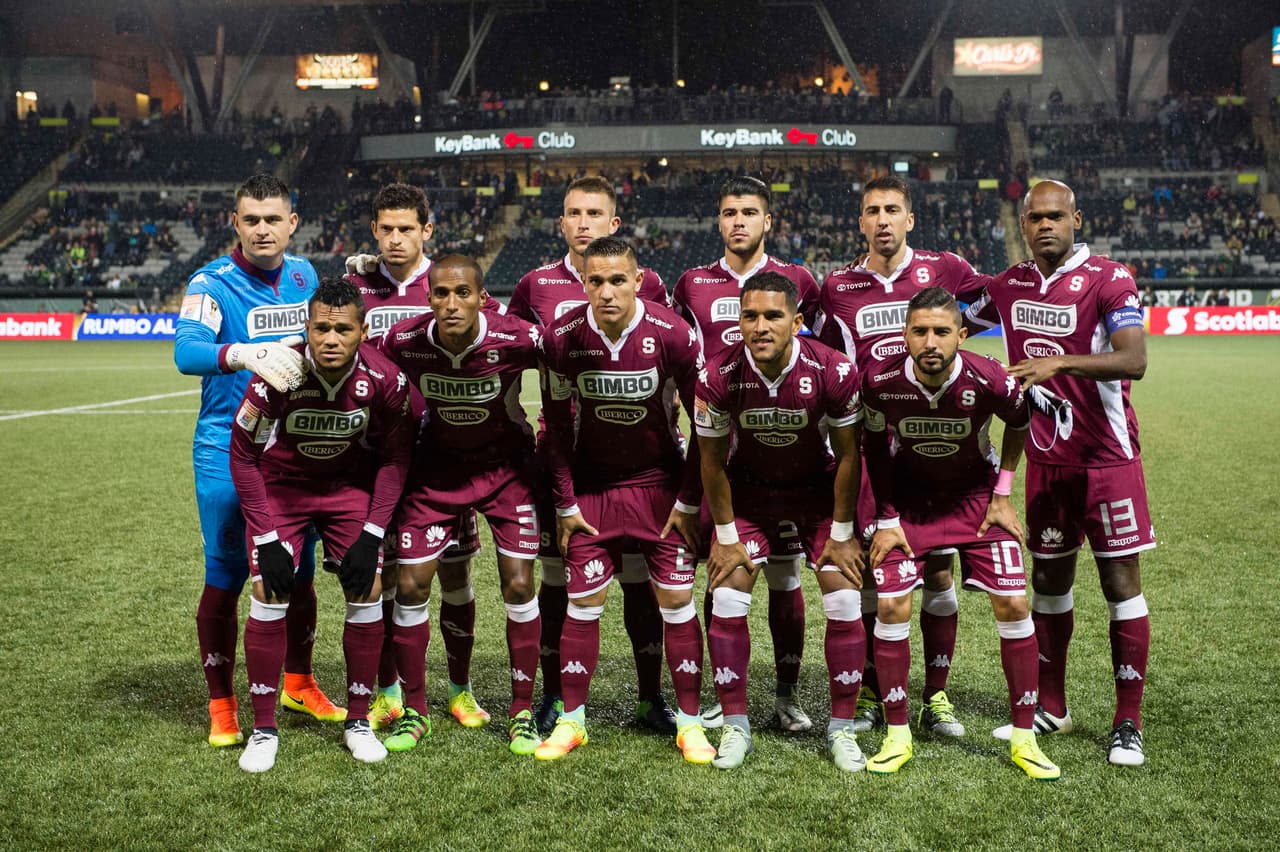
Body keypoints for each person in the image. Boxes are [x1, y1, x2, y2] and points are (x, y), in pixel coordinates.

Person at [965, 179, 1152, 766]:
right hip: (1045, 462)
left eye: (1055, 216)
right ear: (1022, 225)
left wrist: (1061, 362)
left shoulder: (1108, 278)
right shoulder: (1008, 285)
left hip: (1108, 460)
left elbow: (1134, 359)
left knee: (1120, 585)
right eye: (1034, 218)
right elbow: (954, 323)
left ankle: (1128, 721)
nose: (1045, 225)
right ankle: (1053, 707)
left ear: (1075, 218)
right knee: (1048, 586)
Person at [815, 174, 991, 738]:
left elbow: (993, 306)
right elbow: (820, 350)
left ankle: (935, 696)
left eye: (893, 209)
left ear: (910, 218)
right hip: (872, 450)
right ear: (861, 222)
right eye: (873, 211)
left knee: (938, 569)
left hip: (934, 449)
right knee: (870, 568)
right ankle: (873, 687)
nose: (883, 219)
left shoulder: (946, 269)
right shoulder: (836, 286)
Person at [174, 173, 343, 749]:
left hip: (291, 446)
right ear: (236, 223)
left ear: (292, 223)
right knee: (225, 575)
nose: (263, 229)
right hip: (227, 442)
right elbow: (186, 352)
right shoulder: (211, 283)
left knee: (294, 570)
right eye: (252, 220)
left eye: (274, 219)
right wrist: (241, 352)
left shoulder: (304, 275)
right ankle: (223, 704)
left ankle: (298, 682)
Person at [861, 287, 1057, 780]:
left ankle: (1024, 738)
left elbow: (1020, 421)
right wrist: (886, 518)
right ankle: (898, 734)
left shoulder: (988, 377)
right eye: (920, 331)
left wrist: (1003, 492)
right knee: (890, 605)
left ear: (962, 335)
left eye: (942, 332)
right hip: (907, 504)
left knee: (1014, 603)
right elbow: (873, 449)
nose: (930, 342)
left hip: (975, 501)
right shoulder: (880, 381)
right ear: (904, 335)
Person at [508, 176, 676, 737]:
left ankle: (651, 696)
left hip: (639, 462)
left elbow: (670, 363)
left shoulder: (648, 284)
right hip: (566, 463)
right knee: (560, 580)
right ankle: (555, 696)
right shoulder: (535, 285)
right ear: (561, 223)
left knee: (638, 579)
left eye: (594, 213)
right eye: (573, 213)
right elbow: (505, 344)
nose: (583, 222)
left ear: (614, 225)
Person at [534, 236, 713, 764]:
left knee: (677, 604)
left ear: (638, 281)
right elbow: (557, 430)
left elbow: (704, 424)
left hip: (660, 488)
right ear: (583, 283)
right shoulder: (561, 338)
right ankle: (572, 721)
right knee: (583, 604)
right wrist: (565, 504)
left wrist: (687, 499)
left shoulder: (673, 333)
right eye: (596, 281)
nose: (607, 291)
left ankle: (690, 722)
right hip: (592, 492)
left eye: (618, 280)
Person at [228, 278, 415, 772]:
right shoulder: (276, 374)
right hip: (282, 491)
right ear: (306, 327)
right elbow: (244, 456)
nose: (331, 339)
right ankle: (264, 729)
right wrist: (267, 539)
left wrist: (373, 532)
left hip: (346, 492)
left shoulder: (385, 378)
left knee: (368, 587)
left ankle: (358, 721)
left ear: (364, 329)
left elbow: (397, 460)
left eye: (343, 329)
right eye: (321, 328)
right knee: (268, 592)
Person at [694, 271, 868, 772]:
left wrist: (840, 534)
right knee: (727, 591)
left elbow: (851, 455)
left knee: (842, 595)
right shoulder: (717, 374)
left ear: (796, 321)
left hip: (816, 494)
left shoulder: (833, 370)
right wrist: (726, 538)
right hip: (750, 494)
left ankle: (840, 729)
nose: (761, 326)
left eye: (773, 316)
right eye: (750, 315)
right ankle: (735, 724)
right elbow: (711, 461)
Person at [344, 183, 498, 734]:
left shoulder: (446, 285)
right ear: (372, 231)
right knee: (383, 580)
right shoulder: (354, 287)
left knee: (455, 576)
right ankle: (389, 691)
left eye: (406, 228)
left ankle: (460, 688)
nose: (394, 238)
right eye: (384, 228)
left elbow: (494, 336)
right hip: (374, 460)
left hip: (442, 459)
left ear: (427, 231)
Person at [376, 256, 544, 756]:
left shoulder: (516, 338)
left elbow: (569, 359)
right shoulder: (404, 340)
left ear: (481, 296)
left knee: (518, 581)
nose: (451, 304)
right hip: (435, 474)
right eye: (441, 294)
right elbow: (359, 361)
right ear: (428, 298)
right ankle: (415, 709)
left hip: (506, 473)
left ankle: (521, 711)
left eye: (462, 294)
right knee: (409, 584)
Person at [672, 175, 823, 732]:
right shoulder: (692, 283)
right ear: (719, 220)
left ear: (768, 221)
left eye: (750, 212)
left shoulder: (799, 281)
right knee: (722, 571)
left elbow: (821, 353)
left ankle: (786, 696)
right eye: (730, 211)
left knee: (785, 577)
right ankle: (723, 690)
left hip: (786, 450)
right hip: (720, 458)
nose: (739, 221)